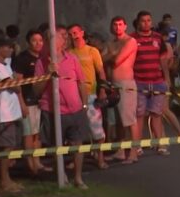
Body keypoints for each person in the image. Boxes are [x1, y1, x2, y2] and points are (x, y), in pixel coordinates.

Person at [35, 26, 91, 189]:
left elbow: (81, 83)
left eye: (66, 36)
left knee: (77, 144)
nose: (66, 39)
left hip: (75, 109)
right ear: (51, 40)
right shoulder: (41, 62)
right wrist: (47, 73)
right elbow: (36, 90)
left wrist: (85, 104)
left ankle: (78, 178)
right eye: (61, 36)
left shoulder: (72, 59)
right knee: (55, 145)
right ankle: (62, 176)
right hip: (53, 111)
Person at [0, 35, 25, 193]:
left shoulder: (5, 62)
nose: (11, 50)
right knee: (6, 147)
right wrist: (16, 81)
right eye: (8, 47)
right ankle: (4, 181)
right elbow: (13, 85)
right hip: (3, 111)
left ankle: (6, 178)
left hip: (12, 109)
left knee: (12, 146)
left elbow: (15, 82)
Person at [130, 11, 172, 156]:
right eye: (143, 21)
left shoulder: (158, 38)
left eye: (149, 20)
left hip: (157, 81)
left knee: (156, 114)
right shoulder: (132, 39)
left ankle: (160, 144)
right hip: (139, 82)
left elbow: (163, 59)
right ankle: (138, 146)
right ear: (138, 22)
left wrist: (166, 78)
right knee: (139, 115)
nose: (146, 23)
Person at [69, 23, 109, 169]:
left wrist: (103, 90)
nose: (73, 35)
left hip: (91, 95)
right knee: (76, 129)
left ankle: (100, 159)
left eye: (75, 32)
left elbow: (101, 72)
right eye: (70, 33)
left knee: (97, 129)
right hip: (74, 96)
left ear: (82, 32)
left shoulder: (92, 51)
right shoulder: (69, 53)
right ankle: (76, 160)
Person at [102, 16, 139, 163]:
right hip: (113, 83)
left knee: (129, 119)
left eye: (120, 24)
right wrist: (111, 54)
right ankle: (121, 150)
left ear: (125, 26)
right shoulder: (111, 43)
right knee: (118, 120)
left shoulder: (130, 41)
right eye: (115, 25)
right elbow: (101, 59)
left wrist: (110, 54)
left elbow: (117, 60)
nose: (117, 27)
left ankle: (134, 152)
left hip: (126, 83)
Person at [12, 29, 49, 175]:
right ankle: (30, 165)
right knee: (28, 134)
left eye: (40, 40)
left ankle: (37, 162)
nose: (38, 43)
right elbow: (17, 83)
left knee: (37, 133)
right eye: (34, 40)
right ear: (28, 42)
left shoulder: (44, 58)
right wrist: (21, 103)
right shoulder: (22, 59)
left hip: (39, 102)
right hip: (27, 102)